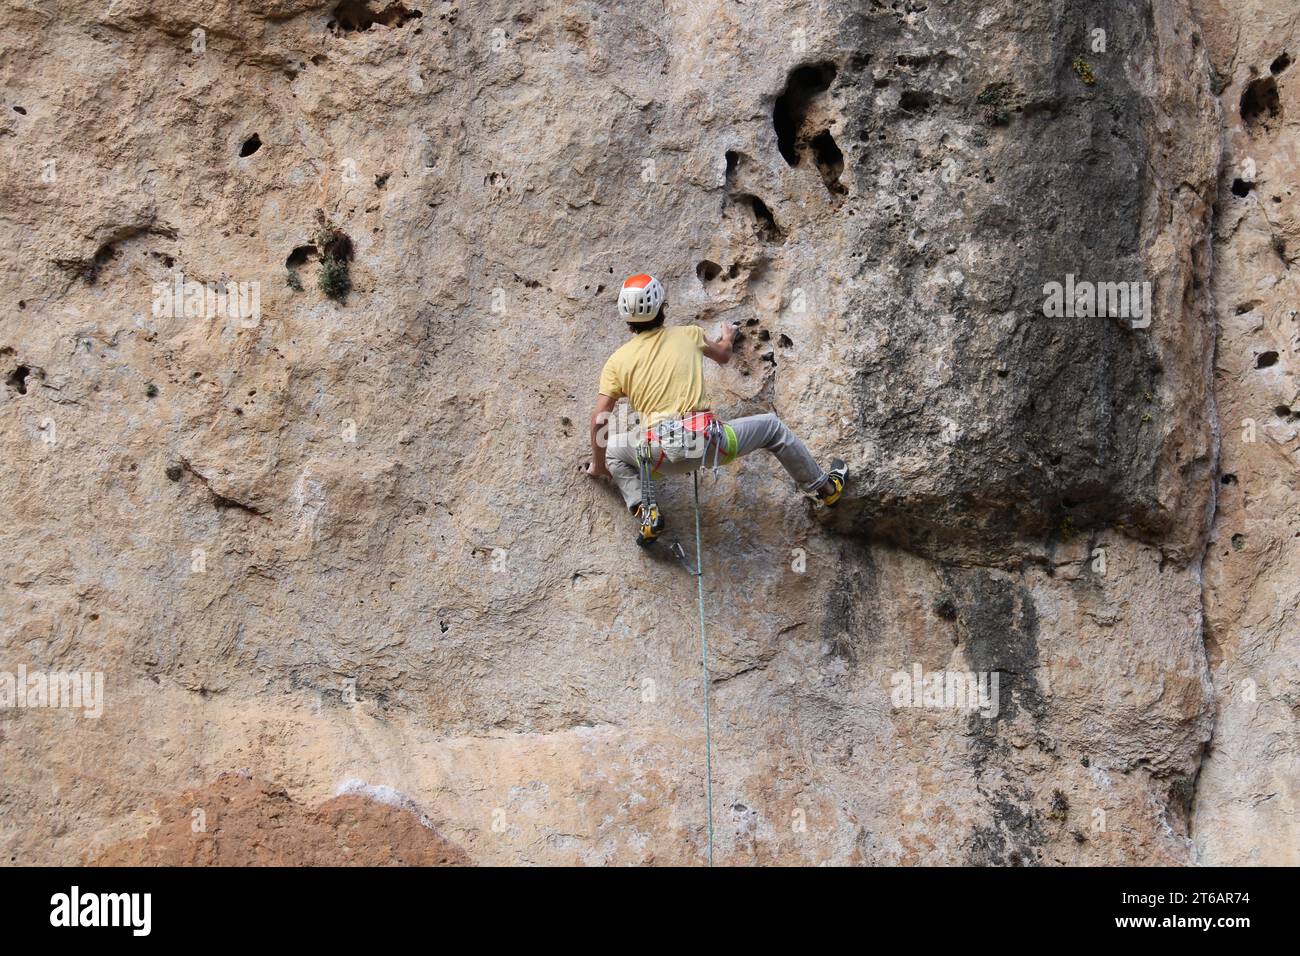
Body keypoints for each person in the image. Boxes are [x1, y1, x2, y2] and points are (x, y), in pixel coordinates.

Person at [583, 273, 847, 544]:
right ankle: (826, 489)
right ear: (662, 306)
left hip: (661, 455)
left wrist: (599, 465)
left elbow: (600, 417)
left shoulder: (617, 362)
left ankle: (646, 512)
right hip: (710, 444)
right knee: (772, 428)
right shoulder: (689, 335)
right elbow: (723, 355)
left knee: (615, 452)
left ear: (626, 318)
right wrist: (728, 337)